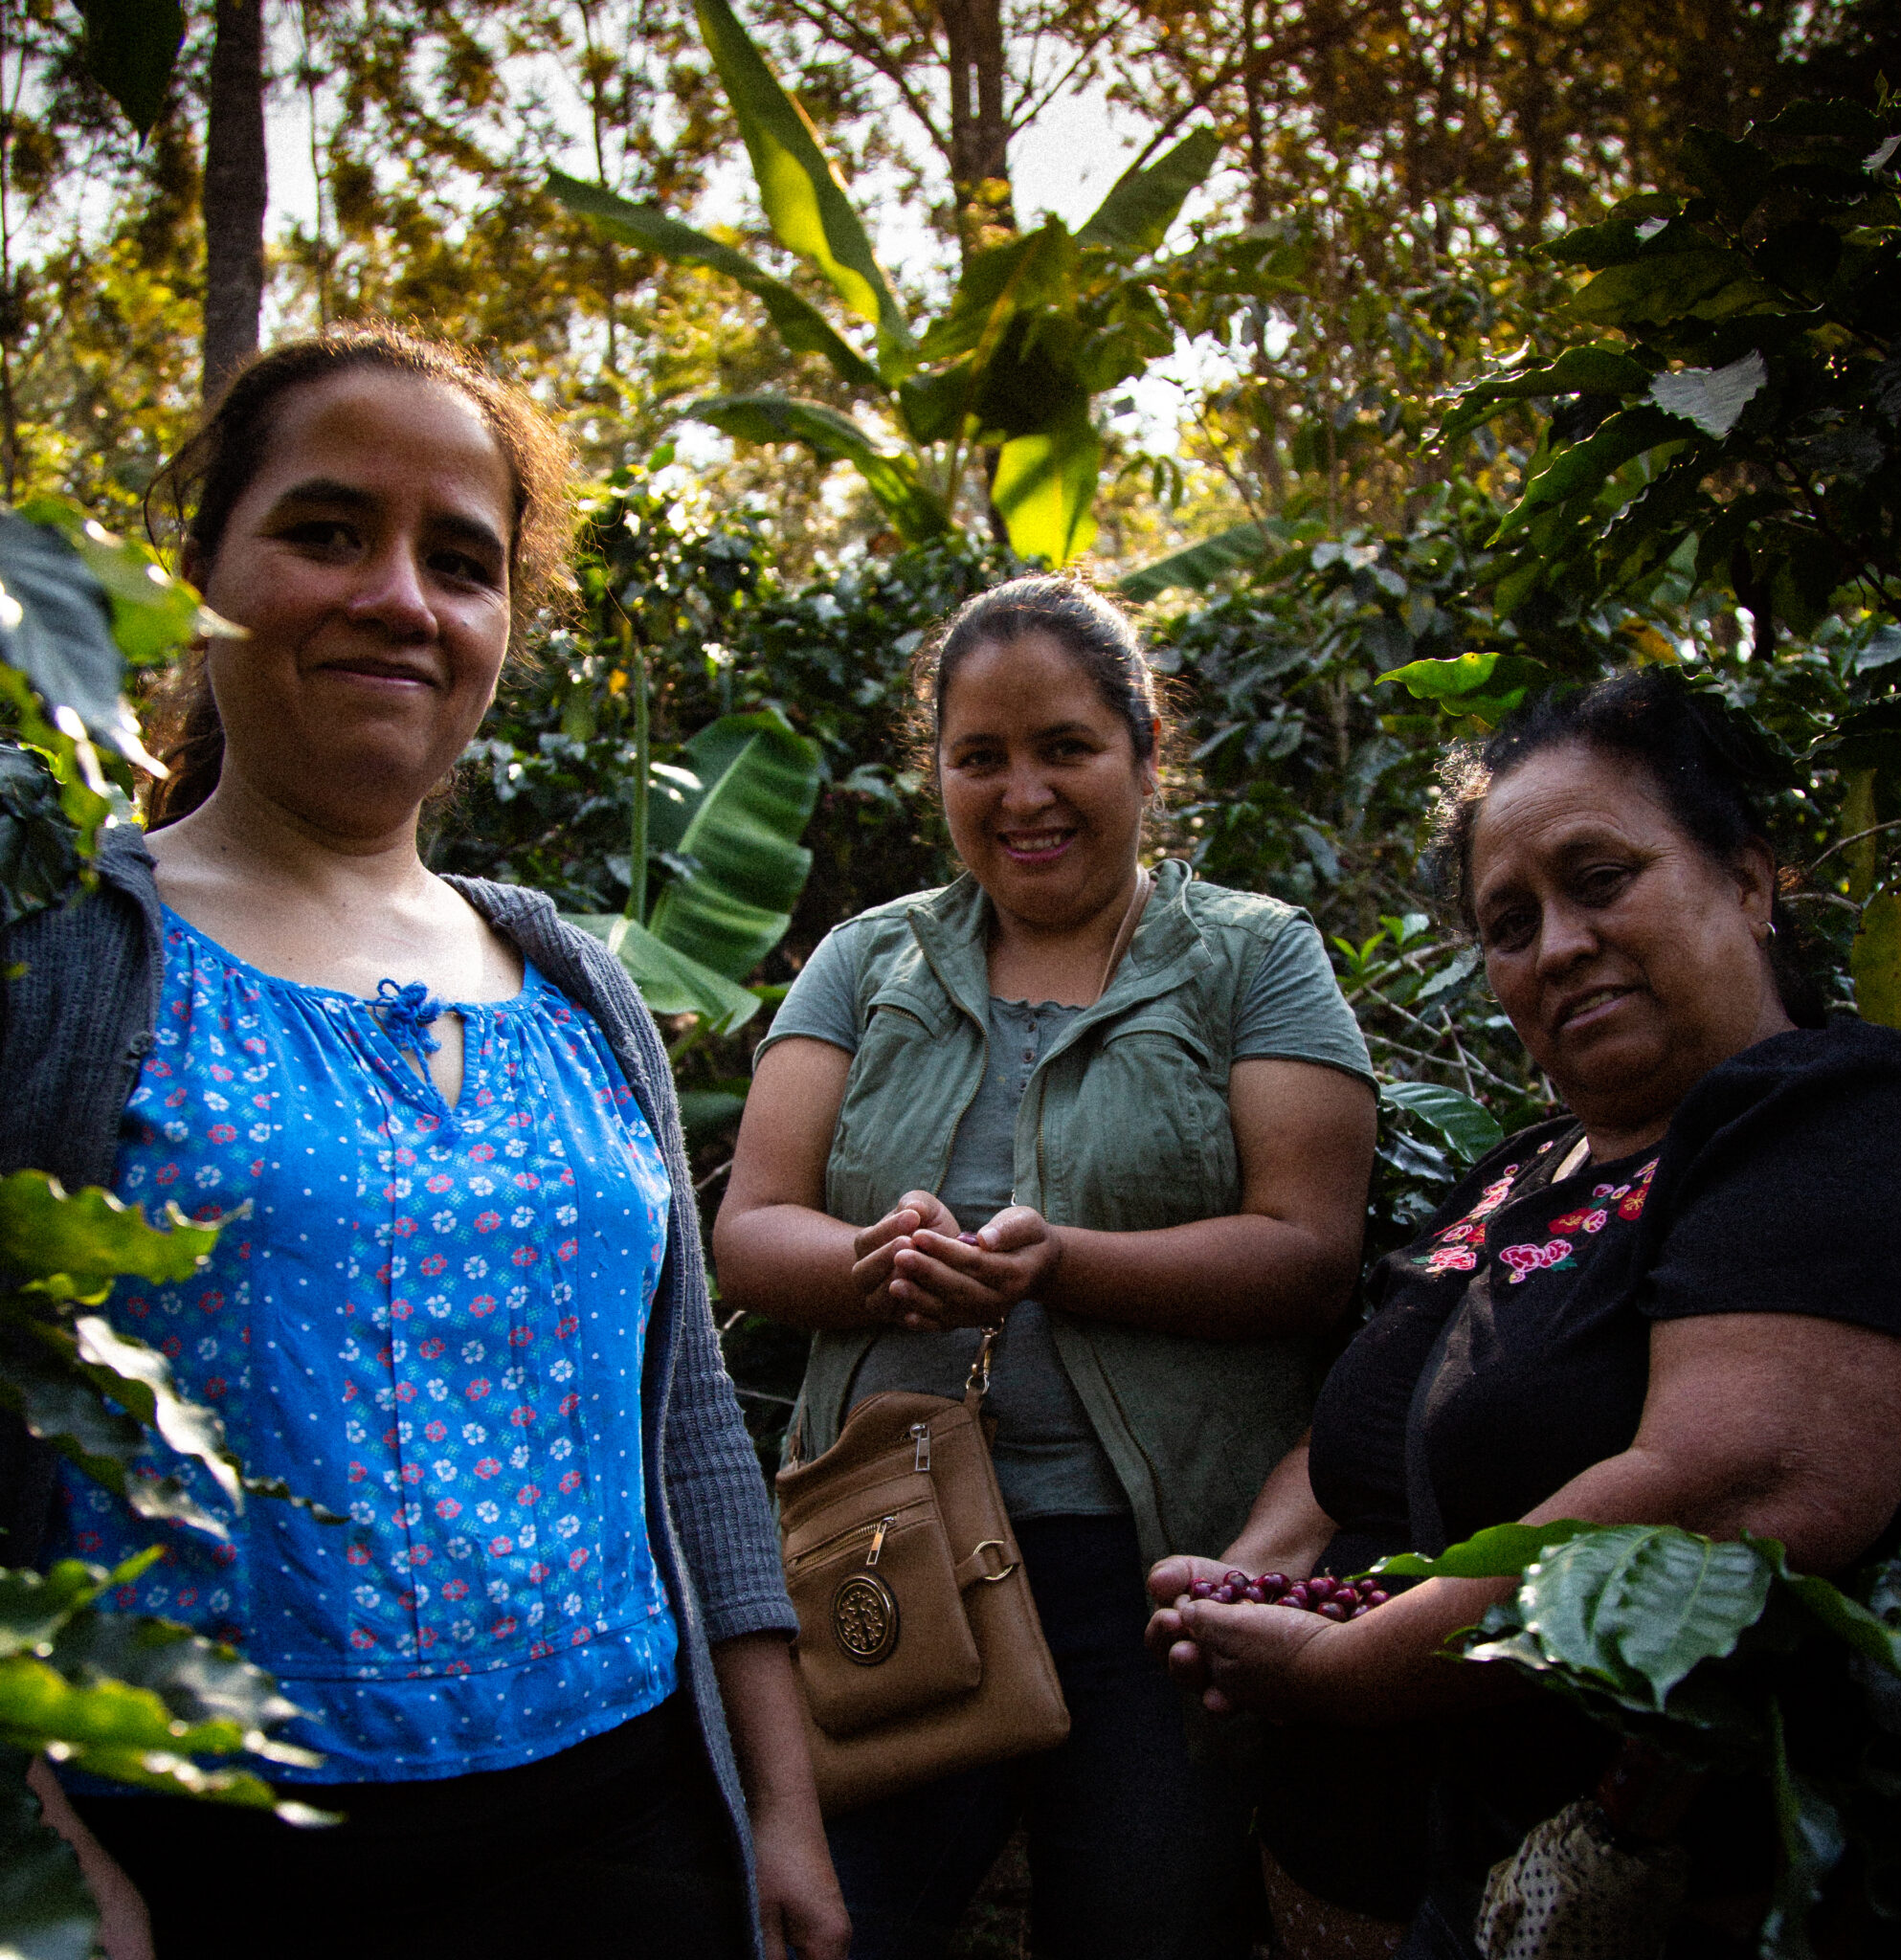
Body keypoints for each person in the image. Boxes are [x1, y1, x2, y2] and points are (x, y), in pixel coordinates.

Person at [0, 325, 850, 1960]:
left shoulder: (581, 987)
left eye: (460, 561)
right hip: (200, 1864)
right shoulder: (67, 953)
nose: (399, 596)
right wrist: (40, 1855)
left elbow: (686, 1430)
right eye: (327, 533)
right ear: (201, 574)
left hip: (629, 1835)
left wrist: (785, 1814)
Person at [1147, 671, 1901, 1957]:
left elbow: (1733, 1489)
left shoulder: (1830, 1115)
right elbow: (1354, 1433)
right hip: (1381, 1872)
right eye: (1510, 923)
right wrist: (1260, 1570)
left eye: (1600, 880)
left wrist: (1348, 1669)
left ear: (1750, 881)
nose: (1558, 946)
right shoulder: (1518, 1171)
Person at [713, 575, 1380, 1960]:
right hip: (886, 1544)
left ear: (1145, 748)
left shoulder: (1255, 959)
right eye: (982, 757)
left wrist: (1060, 1263)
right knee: (846, 1917)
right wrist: (869, 1262)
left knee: (1146, 1920)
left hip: (1153, 1567)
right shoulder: (864, 959)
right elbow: (751, 1222)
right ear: (939, 770)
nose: (1025, 793)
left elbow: (1308, 1255)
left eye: (1066, 747)